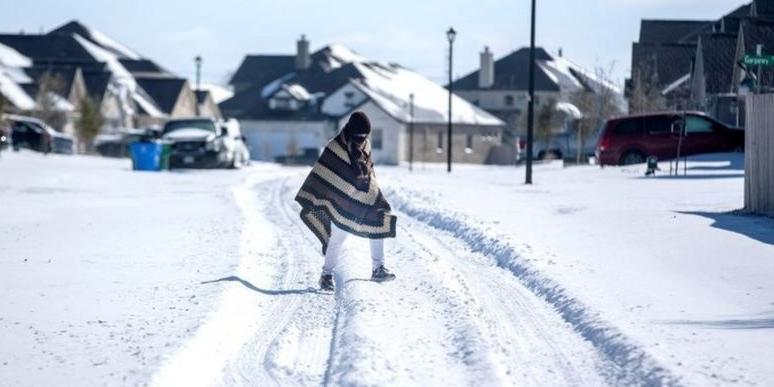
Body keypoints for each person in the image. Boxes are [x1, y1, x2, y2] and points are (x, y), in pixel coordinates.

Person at [295, 111, 397, 291]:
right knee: (338, 239)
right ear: (351, 130)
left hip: (365, 198)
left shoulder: (366, 144)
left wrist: (372, 190)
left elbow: (369, 171)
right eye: (359, 135)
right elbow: (324, 173)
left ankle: (378, 268)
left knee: (379, 221)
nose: (362, 138)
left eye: (365, 135)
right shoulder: (335, 147)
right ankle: (326, 275)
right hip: (342, 201)